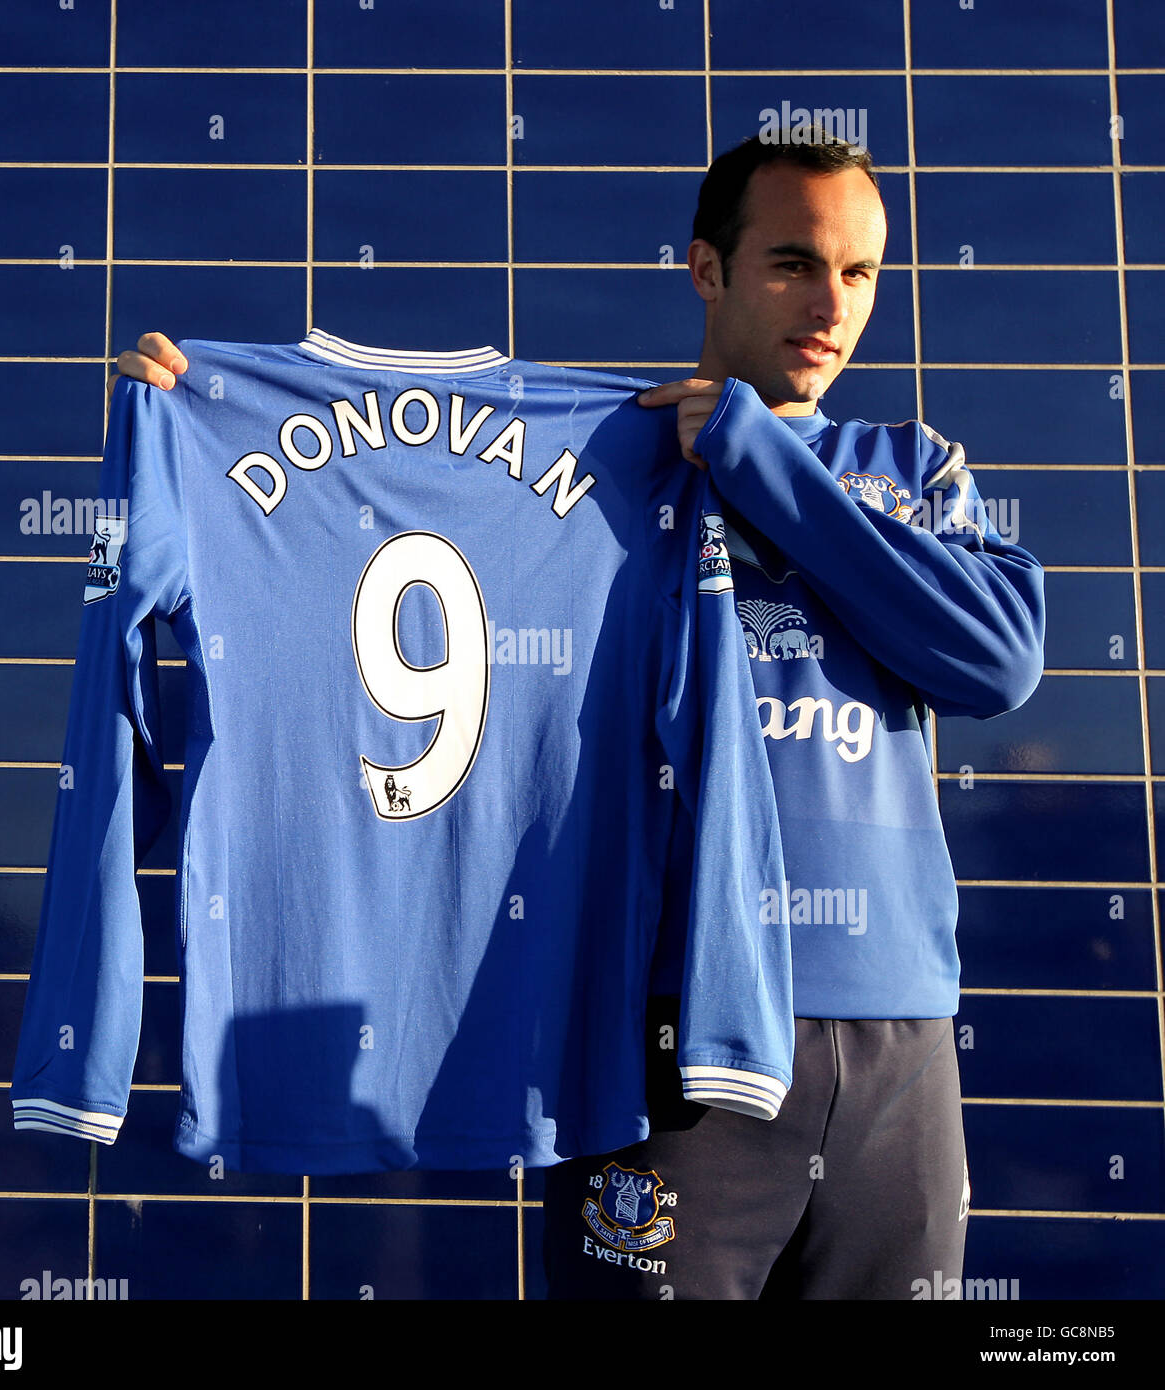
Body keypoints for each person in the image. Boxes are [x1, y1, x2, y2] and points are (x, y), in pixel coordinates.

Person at [106, 130, 1045, 1300]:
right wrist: (202, 425)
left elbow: (996, 659)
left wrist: (764, 464)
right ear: (706, 269)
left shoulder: (909, 467)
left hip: (901, 1036)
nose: (830, 303)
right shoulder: (602, 465)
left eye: (858, 273)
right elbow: (402, 477)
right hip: (665, 1030)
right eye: (793, 263)